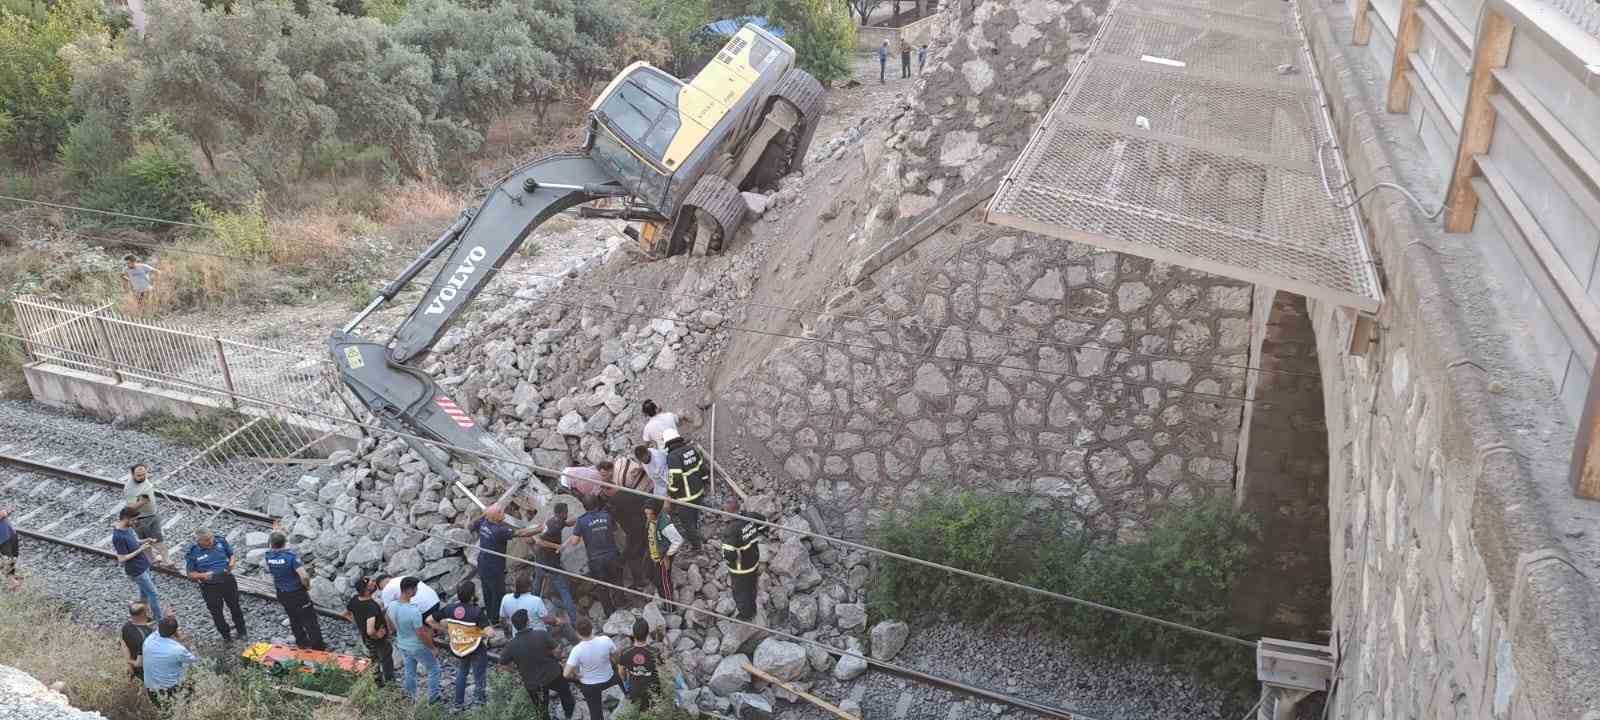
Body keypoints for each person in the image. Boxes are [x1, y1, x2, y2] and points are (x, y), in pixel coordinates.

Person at [499, 609, 576, 720]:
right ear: (528, 622)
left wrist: (515, 672)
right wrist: (557, 656)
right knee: (566, 695)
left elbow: (502, 665)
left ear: (515, 626)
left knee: (541, 710)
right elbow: (557, 651)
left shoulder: (511, 646)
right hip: (553, 674)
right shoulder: (541, 634)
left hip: (533, 683)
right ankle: (569, 715)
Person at [470, 504, 540, 622]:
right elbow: (520, 533)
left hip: (482, 563)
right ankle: (496, 619)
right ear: (495, 516)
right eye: (501, 512)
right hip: (494, 568)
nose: (504, 514)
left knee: (487, 591)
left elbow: (471, 525)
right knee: (498, 593)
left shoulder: (483, 522)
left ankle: (490, 614)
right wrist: (540, 529)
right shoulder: (499, 531)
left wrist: (486, 513)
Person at [265, 531, 325, 650]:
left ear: (271, 544)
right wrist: (307, 586)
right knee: (310, 620)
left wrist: (275, 533)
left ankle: (302, 642)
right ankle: (318, 647)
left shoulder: (268, 556)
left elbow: (273, 543)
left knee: (294, 618)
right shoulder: (290, 557)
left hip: (282, 593)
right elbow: (304, 576)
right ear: (285, 543)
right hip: (297, 593)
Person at [184, 528, 246, 641]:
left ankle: (242, 631)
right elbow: (190, 574)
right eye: (207, 540)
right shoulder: (193, 552)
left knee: (235, 607)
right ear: (199, 541)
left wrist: (232, 563)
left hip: (227, 580)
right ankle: (226, 636)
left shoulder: (220, 541)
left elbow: (231, 554)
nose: (210, 541)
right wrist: (202, 576)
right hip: (210, 587)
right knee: (217, 613)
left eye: (211, 538)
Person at [440, 581, 494, 711]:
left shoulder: (450, 608)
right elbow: (490, 633)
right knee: (479, 676)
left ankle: (458, 704)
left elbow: (432, 620)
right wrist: (482, 633)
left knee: (462, 673)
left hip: (459, 647)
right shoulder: (477, 611)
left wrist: (449, 630)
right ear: (472, 596)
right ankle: (478, 704)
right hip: (476, 648)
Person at [389, 576, 443, 704]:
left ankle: (409, 697)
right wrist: (432, 648)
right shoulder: (414, 611)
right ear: (409, 590)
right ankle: (433, 698)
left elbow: (389, 622)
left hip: (402, 643)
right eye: (415, 589)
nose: (417, 591)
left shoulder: (392, 605)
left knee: (409, 671)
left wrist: (394, 631)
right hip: (416, 646)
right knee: (434, 669)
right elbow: (420, 633)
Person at [531, 503, 579, 639]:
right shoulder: (554, 526)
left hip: (540, 560)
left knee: (537, 584)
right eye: (567, 512)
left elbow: (567, 524)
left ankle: (530, 609)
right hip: (551, 564)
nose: (568, 514)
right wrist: (556, 546)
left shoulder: (554, 521)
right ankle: (574, 621)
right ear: (562, 513)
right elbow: (539, 541)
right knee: (564, 591)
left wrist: (578, 520)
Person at [568, 495, 622, 617]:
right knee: (617, 580)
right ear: (597, 504)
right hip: (612, 554)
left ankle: (609, 612)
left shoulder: (581, 521)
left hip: (595, 559)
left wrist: (579, 531)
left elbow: (574, 542)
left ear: (584, 507)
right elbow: (615, 530)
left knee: (601, 587)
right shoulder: (606, 515)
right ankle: (621, 604)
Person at [606, 453, 653, 590]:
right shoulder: (630, 492)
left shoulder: (613, 501)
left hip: (633, 531)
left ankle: (639, 581)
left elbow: (610, 519)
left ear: (607, 489)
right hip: (645, 526)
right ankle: (647, 575)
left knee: (632, 556)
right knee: (644, 550)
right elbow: (646, 503)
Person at [721, 496, 769, 620]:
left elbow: (729, 554)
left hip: (740, 568)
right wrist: (761, 535)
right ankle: (752, 609)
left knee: (740, 593)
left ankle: (746, 615)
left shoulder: (731, 530)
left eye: (724, 512)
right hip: (753, 561)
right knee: (752, 587)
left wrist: (728, 563)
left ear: (729, 513)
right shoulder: (750, 516)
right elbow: (764, 523)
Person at [112, 507, 163, 622]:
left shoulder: (128, 529)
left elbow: (134, 542)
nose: (136, 522)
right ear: (126, 518)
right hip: (136, 570)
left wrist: (145, 540)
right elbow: (122, 558)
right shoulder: (118, 537)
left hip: (143, 565)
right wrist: (141, 549)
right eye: (134, 519)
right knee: (154, 594)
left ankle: (142, 616)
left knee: (144, 594)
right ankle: (159, 621)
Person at [563, 618, 620, 720]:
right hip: (609, 679)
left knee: (595, 713)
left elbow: (566, 674)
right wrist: (613, 662)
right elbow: (616, 655)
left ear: (577, 633)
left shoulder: (577, 650)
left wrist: (576, 676)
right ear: (592, 628)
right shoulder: (605, 640)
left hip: (589, 685)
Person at [344, 577, 396, 687]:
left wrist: (358, 624)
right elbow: (370, 630)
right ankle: (390, 684)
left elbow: (345, 614)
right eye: (371, 583)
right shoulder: (371, 606)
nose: (374, 583)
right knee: (386, 659)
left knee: (374, 659)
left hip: (366, 639)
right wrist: (377, 634)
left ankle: (378, 683)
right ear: (366, 589)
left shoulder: (355, 599)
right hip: (378, 639)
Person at [663, 428, 708, 550]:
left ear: (667, 443)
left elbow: (675, 477)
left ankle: (696, 547)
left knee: (687, 523)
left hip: (686, 497)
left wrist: (671, 493)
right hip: (698, 492)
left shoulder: (672, 456)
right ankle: (699, 537)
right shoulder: (691, 449)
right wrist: (705, 482)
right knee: (694, 517)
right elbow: (702, 468)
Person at [142, 615, 197, 708]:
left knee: (166, 713)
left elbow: (161, 628)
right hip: (171, 691)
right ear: (175, 632)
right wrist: (182, 640)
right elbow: (193, 659)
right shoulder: (177, 649)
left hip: (151, 690)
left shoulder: (149, 640)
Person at [123, 464, 169, 568]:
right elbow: (130, 507)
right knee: (151, 540)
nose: (142, 477)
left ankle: (159, 560)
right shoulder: (130, 488)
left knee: (155, 538)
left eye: (144, 474)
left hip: (152, 514)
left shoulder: (144, 479)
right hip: (141, 519)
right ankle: (161, 561)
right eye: (139, 475)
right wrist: (142, 502)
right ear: (132, 474)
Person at [643, 500, 683, 601]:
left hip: (663, 556)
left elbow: (678, 541)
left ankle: (669, 605)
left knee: (664, 581)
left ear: (656, 513)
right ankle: (660, 590)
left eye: (649, 514)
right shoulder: (652, 520)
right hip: (653, 551)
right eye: (646, 513)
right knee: (648, 572)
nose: (647, 516)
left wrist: (667, 555)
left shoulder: (665, 525)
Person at [618, 618, 660, 711]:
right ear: (647, 633)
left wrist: (625, 683)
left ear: (633, 634)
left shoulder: (625, 652)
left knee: (638, 712)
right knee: (652, 712)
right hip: (652, 691)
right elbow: (662, 671)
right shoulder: (655, 652)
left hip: (634, 690)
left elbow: (621, 671)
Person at [378, 573, 443, 621]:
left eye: (381, 588)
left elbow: (388, 611)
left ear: (381, 585)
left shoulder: (386, 589)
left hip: (424, 611)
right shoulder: (404, 577)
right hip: (436, 602)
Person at [120, 602, 156, 682]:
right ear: (144, 614)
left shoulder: (126, 626)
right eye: (148, 610)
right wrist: (130, 662)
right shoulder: (145, 637)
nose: (150, 612)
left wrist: (129, 662)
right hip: (146, 672)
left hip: (134, 665)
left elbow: (124, 643)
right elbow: (139, 663)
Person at [0, 506, 18, 586]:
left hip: (6, 536)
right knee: (8, 560)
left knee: (9, 560)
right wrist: (6, 511)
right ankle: (12, 582)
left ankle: (11, 581)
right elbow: (2, 514)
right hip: (4, 538)